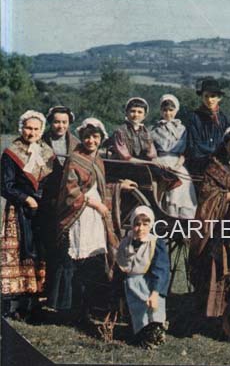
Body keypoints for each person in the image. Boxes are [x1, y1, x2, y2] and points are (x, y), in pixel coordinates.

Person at [47, 118, 137, 321]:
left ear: (101, 138)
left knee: (94, 258)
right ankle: (70, 308)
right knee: (76, 259)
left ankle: (92, 303)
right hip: (79, 213)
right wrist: (97, 205)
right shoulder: (75, 158)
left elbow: (100, 187)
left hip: (96, 215)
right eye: (87, 137)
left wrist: (119, 187)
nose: (91, 141)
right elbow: (71, 191)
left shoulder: (97, 159)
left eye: (95, 137)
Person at [189, 125, 230, 340]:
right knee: (221, 271)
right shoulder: (215, 168)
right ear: (226, 145)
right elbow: (206, 197)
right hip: (223, 229)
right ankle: (218, 320)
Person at [1, 110, 55, 320]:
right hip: (19, 210)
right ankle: (16, 304)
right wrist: (26, 198)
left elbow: (53, 181)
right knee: (21, 252)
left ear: (41, 131)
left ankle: (34, 303)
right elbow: (5, 186)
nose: (31, 132)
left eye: (35, 129)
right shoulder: (11, 152)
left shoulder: (47, 153)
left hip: (41, 211)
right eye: (28, 128)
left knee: (38, 253)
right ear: (21, 128)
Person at [117, 205, 170, 349]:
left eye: (145, 224)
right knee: (138, 312)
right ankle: (142, 333)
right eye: (137, 224)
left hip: (150, 282)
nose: (141, 229)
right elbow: (121, 266)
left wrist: (155, 292)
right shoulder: (126, 242)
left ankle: (156, 331)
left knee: (153, 308)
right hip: (132, 282)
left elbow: (161, 269)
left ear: (151, 225)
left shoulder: (155, 243)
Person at [42, 106, 79, 297]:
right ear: (50, 122)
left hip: (67, 201)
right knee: (47, 244)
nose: (60, 126)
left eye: (64, 122)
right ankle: (44, 289)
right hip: (46, 199)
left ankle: (62, 293)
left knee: (65, 246)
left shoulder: (75, 143)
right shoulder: (42, 142)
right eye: (57, 122)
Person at [150, 94, 197, 219]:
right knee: (165, 182)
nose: (168, 113)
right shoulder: (154, 129)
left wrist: (178, 165)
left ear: (176, 110)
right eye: (165, 110)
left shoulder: (182, 129)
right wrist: (156, 160)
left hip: (177, 162)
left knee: (183, 180)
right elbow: (150, 150)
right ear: (161, 111)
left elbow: (184, 152)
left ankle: (182, 217)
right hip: (161, 161)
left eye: (171, 110)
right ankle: (167, 214)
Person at [186, 78, 230, 178]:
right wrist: (211, 156)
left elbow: (228, 142)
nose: (209, 100)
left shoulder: (224, 119)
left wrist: (221, 158)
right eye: (206, 96)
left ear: (219, 98)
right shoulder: (194, 117)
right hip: (199, 166)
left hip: (221, 164)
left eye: (213, 96)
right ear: (201, 97)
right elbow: (193, 145)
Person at [111, 97, 157, 162]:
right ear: (126, 113)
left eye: (140, 112)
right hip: (122, 166)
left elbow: (152, 154)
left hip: (142, 165)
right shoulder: (120, 131)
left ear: (144, 116)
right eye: (133, 111)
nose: (136, 115)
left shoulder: (146, 132)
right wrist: (146, 162)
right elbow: (125, 157)